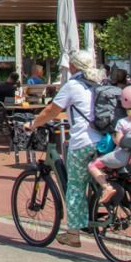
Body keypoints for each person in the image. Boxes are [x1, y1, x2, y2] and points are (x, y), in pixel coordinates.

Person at [31, 48, 108, 247]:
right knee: (94, 177)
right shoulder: (100, 83)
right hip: (104, 141)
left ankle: (73, 234)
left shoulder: (72, 85)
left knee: (75, 186)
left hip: (82, 142)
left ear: (73, 66)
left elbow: (51, 110)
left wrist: (33, 124)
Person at [86, 85, 131, 206]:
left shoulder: (122, 122)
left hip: (122, 157)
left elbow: (119, 141)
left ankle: (106, 188)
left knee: (92, 165)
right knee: (130, 173)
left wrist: (113, 137)